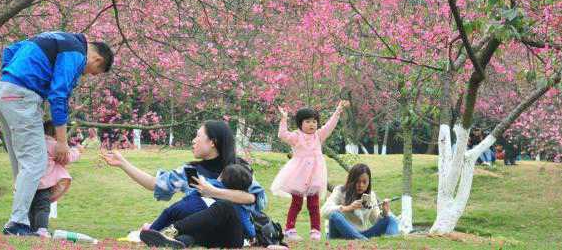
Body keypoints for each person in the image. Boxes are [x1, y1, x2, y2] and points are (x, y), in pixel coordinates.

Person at [0, 31, 113, 236]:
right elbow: (59, 95)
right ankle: (17, 223)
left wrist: (11, 75)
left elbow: (10, 50)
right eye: (93, 71)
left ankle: (25, 219)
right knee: (36, 164)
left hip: (3, 92)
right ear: (96, 58)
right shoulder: (76, 52)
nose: (87, 75)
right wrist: (61, 142)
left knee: (22, 164)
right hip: (23, 96)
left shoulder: (54, 37)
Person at [102, 121, 267, 241]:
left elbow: (252, 198)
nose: (193, 141)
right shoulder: (191, 172)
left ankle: (168, 232)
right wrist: (123, 164)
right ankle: (170, 237)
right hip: (202, 230)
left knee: (223, 207)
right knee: (188, 219)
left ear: (212, 142)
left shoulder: (237, 167)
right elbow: (155, 183)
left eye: (198, 136)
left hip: (232, 231)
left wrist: (213, 192)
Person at [270, 101, 347, 241]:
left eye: (314, 121)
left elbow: (330, 126)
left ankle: (315, 230)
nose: (312, 124)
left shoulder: (319, 135)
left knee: (314, 204)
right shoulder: (296, 136)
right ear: (300, 123)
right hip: (299, 176)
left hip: (315, 176)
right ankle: (290, 229)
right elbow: (282, 135)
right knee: (297, 203)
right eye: (308, 121)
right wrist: (283, 119)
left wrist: (337, 111)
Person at [139, 163, 255, 249]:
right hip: (211, 235)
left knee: (224, 206)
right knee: (193, 234)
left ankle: (168, 230)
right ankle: (177, 241)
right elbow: (247, 226)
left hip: (229, 237)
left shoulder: (239, 202)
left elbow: (192, 177)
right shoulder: (215, 188)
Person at [29, 120, 82, 237]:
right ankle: (42, 229)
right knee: (43, 206)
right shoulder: (52, 144)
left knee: (31, 206)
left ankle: (32, 229)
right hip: (44, 183)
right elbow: (67, 157)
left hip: (29, 182)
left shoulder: (34, 143)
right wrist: (78, 151)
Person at [322, 164, 399, 240]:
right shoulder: (340, 191)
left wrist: (384, 213)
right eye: (357, 181)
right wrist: (348, 208)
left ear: (369, 182)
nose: (361, 185)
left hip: (359, 234)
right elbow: (324, 211)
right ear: (351, 181)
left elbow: (375, 220)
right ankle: (364, 242)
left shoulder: (370, 195)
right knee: (335, 216)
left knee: (390, 219)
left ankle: (390, 243)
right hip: (339, 235)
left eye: (364, 182)